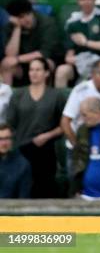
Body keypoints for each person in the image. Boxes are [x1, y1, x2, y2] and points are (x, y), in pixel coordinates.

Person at [6, 58, 66, 198]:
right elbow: (10, 123)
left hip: (47, 149)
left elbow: (64, 124)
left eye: (38, 69)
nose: (34, 73)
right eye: (31, 69)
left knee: (44, 187)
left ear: (46, 73)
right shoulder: (18, 94)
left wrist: (48, 136)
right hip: (22, 148)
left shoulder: (56, 95)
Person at [60, 59, 100, 177]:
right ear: (94, 74)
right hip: (80, 148)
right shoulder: (80, 91)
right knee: (77, 186)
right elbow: (65, 121)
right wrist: (77, 147)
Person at [55, 0, 100, 88]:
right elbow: (68, 57)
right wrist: (82, 61)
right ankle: (63, 104)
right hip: (79, 63)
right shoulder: (72, 22)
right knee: (61, 71)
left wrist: (85, 43)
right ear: (78, 1)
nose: (86, 2)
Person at [2, 0, 62, 86]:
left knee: (42, 63)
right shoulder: (10, 26)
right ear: (14, 19)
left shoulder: (47, 23)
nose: (26, 19)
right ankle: (6, 97)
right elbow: (10, 55)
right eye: (21, 17)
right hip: (24, 63)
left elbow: (44, 53)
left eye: (28, 14)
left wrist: (17, 59)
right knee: (6, 64)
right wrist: (17, 28)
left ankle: (44, 96)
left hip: (49, 61)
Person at [0, 123, 32, 198]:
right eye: (0, 139)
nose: (4, 143)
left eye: (7, 138)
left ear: (12, 140)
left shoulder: (22, 165)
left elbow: (24, 197)